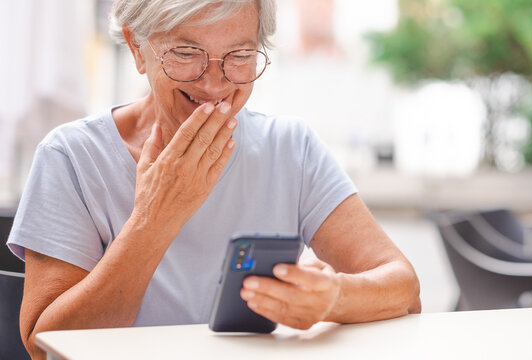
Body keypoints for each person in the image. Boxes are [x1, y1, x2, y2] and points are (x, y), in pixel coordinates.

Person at [7, 0, 421, 358]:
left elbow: (403, 287)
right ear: (137, 46)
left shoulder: (289, 147)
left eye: (240, 55)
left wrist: (335, 298)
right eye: (187, 52)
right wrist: (155, 218)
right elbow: (44, 348)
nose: (214, 83)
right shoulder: (71, 157)